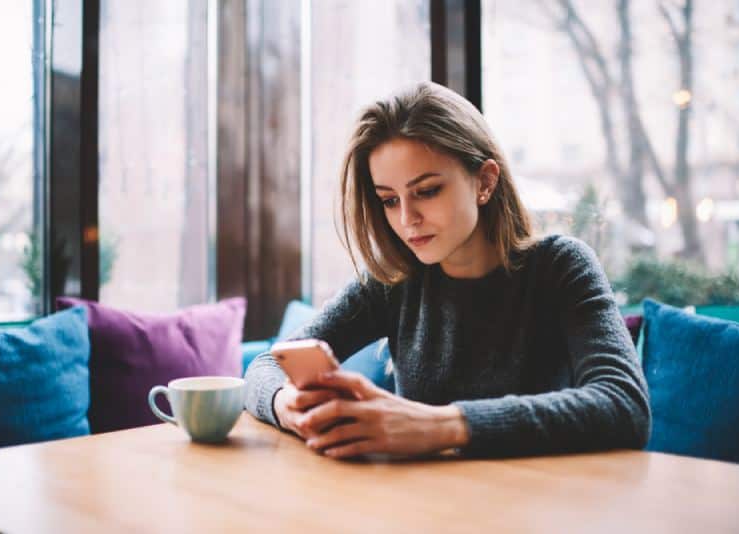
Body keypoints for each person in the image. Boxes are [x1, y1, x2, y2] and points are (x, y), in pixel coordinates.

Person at [244, 81, 651, 459]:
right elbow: (264, 368)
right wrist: (289, 407)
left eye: (427, 191)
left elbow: (624, 405)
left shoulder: (561, 266)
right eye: (389, 200)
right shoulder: (392, 281)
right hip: (427, 506)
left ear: (485, 182)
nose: (407, 220)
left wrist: (438, 425)